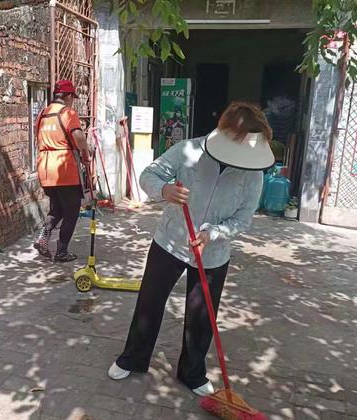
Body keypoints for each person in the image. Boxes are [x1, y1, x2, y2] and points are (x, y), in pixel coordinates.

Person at [108, 102, 275, 396]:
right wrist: (164, 190)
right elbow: (150, 173)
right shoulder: (190, 150)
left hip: (212, 253)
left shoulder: (253, 172)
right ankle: (133, 357)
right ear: (227, 133)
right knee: (149, 302)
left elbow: (243, 219)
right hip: (170, 241)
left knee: (202, 316)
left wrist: (213, 233)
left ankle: (192, 372)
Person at [34, 79, 90, 262]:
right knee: (72, 210)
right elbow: (79, 138)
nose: (72, 100)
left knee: (57, 208)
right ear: (66, 96)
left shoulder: (43, 113)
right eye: (72, 97)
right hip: (63, 168)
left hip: (45, 168)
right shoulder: (67, 113)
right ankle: (62, 251)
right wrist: (86, 153)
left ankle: (43, 239)